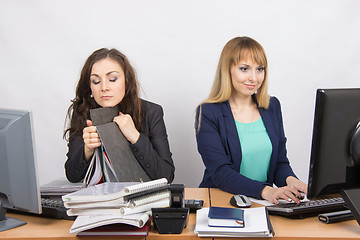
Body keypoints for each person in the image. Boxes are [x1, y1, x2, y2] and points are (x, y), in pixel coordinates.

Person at [195, 37, 307, 204]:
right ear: (227, 70)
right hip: (222, 200)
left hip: (263, 202)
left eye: (259, 69)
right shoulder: (208, 112)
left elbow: (279, 162)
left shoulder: (272, 106)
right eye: (244, 69)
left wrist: (292, 181)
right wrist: (266, 191)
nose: (254, 78)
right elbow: (221, 172)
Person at [64, 48, 175, 183]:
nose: (104, 87)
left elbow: (166, 176)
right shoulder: (82, 112)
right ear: (89, 86)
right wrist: (87, 150)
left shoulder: (151, 112)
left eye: (112, 79)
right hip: (100, 199)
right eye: (96, 81)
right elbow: (72, 176)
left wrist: (135, 136)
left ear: (126, 80)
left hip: (139, 200)